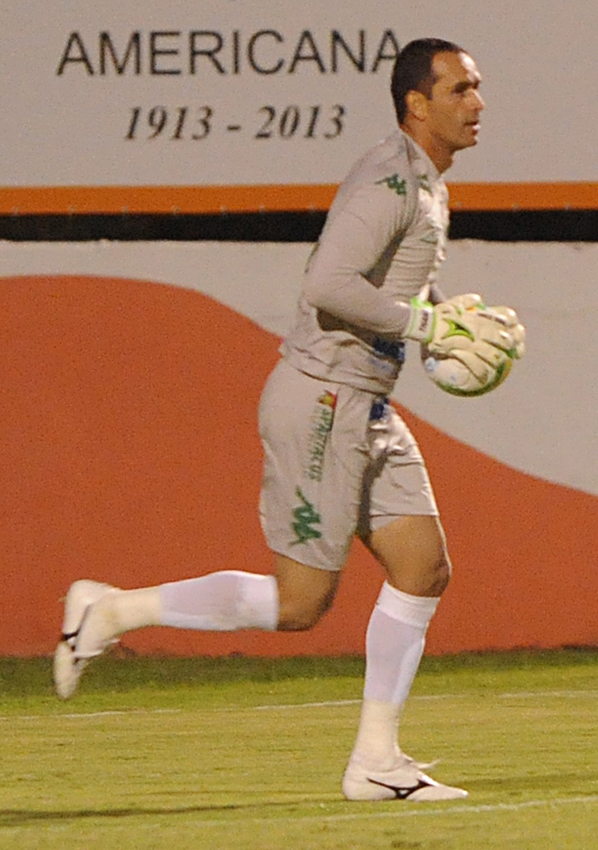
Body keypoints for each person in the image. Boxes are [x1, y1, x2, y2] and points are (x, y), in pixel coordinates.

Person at [54, 38, 523, 802]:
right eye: (461, 89)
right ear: (417, 103)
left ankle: (376, 762)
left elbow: (384, 288)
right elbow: (328, 284)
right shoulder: (391, 181)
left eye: (477, 87)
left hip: (365, 402)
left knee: (423, 567)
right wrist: (428, 326)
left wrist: (441, 320)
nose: (478, 103)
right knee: (299, 604)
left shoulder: (426, 184)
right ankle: (110, 609)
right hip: (324, 400)